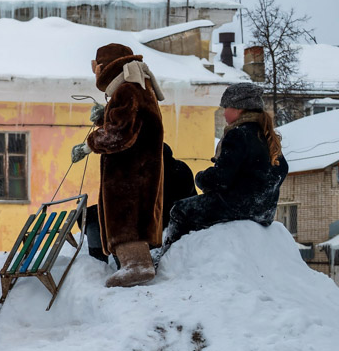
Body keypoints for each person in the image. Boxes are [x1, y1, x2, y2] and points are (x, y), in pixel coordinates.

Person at [160, 83, 288, 253]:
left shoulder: (237, 135)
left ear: (239, 108)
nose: (223, 112)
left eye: (226, 107)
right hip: (264, 212)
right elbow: (281, 171)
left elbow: (220, 179)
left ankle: (168, 257)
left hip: (236, 207)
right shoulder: (266, 136)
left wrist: (201, 177)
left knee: (179, 210)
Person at [82, 43, 165, 287]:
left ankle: (137, 266)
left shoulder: (127, 90)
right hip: (138, 170)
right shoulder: (136, 87)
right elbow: (130, 121)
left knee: (127, 217)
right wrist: (105, 116)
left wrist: (90, 143)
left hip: (130, 174)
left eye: (96, 67)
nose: (95, 73)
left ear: (106, 66)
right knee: (129, 216)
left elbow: (120, 134)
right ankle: (133, 264)